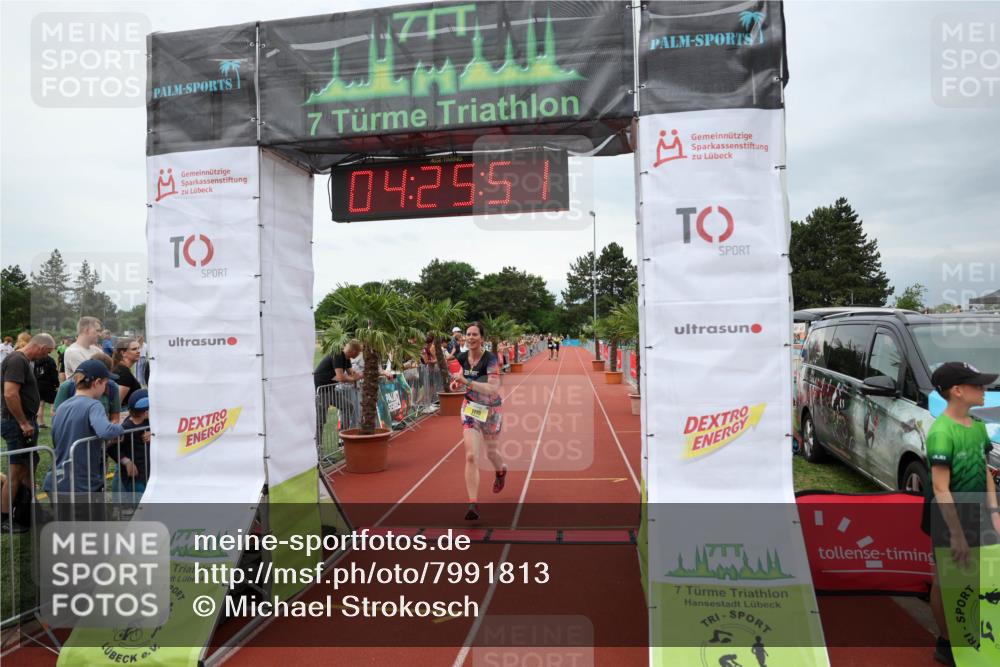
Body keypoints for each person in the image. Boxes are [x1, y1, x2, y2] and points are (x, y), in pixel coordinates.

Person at [923, 361, 1000, 666]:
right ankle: (946, 642)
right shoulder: (941, 433)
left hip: (978, 510)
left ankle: (976, 634)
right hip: (949, 516)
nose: (984, 390)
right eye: (977, 385)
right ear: (957, 391)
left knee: (979, 574)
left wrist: (994, 511)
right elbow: (941, 488)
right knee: (946, 579)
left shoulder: (978, 427)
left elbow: (985, 471)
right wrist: (956, 534)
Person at [449, 322, 507, 521]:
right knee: (472, 455)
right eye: (468, 334)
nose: (471, 337)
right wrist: (456, 382)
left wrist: (468, 382)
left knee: (491, 453)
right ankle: (473, 504)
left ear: (482, 338)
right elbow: (460, 378)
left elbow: (492, 389)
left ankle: (500, 471)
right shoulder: (462, 357)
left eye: (475, 334)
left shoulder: (490, 359)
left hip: (491, 410)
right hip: (471, 408)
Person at [44, 359, 125, 498]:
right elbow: (105, 430)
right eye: (105, 384)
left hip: (57, 480)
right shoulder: (94, 405)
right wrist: (120, 428)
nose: (106, 388)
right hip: (82, 483)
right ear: (97, 382)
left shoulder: (63, 406)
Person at [1, 333, 56, 532]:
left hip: (22, 422)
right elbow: (10, 393)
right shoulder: (17, 360)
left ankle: (30, 511)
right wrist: (23, 422)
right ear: (40, 347)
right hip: (16, 424)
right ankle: (5, 518)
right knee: (16, 471)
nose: (45, 357)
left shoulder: (22, 360)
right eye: (47, 352)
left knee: (28, 467)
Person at [107, 389, 151, 502]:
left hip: (148, 474)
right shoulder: (125, 428)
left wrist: (154, 435)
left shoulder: (150, 423)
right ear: (146, 413)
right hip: (135, 477)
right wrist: (126, 461)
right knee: (142, 504)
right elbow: (111, 447)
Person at [53, 352, 122, 423]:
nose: (106, 381)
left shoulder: (112, 387)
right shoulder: (67, 386)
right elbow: (56, 415)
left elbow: (115, 417)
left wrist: (109, 428)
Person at [111, 338, 142, 406]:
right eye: (134, 349)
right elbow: (117, 404)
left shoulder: (121, 369)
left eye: (138, 348)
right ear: (123, 353)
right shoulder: (123, 373)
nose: (138, 351)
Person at [34, 348, 60, 428]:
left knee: (40, 404)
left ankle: (40, 423)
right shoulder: (50, 360)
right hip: (49, 384)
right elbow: (54, 374)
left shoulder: (35, 359)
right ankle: (55, 423)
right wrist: (57, 384)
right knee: (53, 404)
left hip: (37, 384)